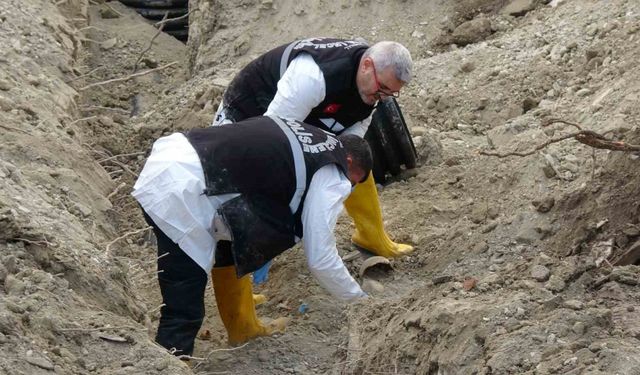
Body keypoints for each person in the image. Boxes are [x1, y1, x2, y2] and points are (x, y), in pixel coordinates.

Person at [132, 115, 372, 356]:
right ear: (349, 161)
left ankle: (242, 328)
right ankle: (170, 362)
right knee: (184, 298)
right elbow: (321, 257)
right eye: (354, 182)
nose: (349, 189)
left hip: (176, 155)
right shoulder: (333, 171)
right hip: (182, 192)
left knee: (227, 251)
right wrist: (361, 302)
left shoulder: (314, 137)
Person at [213, 37, 414, 267]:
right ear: (367, 66)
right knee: (235, 199)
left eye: (392, 94)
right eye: (383, 90)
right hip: (248, 110)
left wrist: (336, 170)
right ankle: (240, 292)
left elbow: (350, 144)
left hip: (306, 111)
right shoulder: (313, 76)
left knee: (354, 161)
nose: (384, 98)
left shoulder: (372, 87)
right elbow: (271, 142)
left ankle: (371, 236)